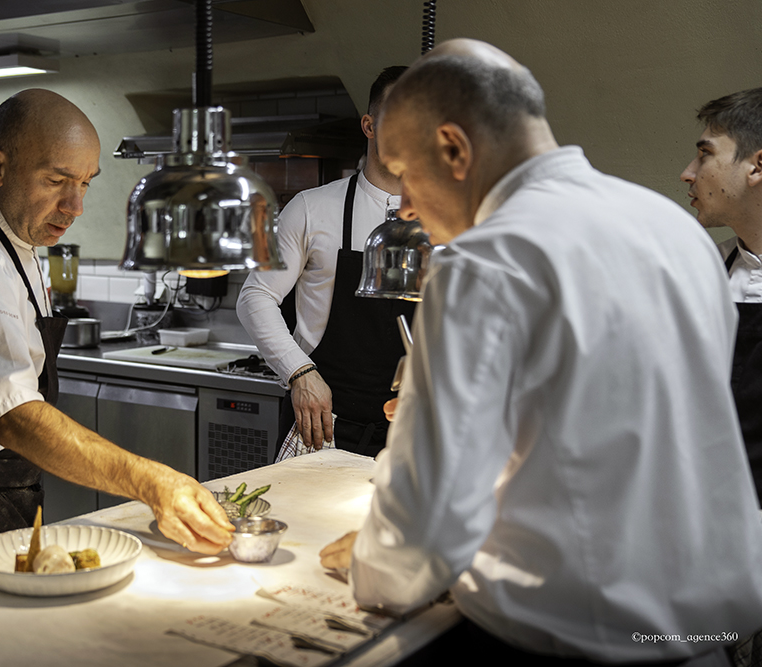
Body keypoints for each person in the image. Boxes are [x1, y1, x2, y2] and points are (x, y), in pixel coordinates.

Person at [319, 40, 762, 664]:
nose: (408, 208)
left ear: (453, 148)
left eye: (405, 174)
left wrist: (375, 560)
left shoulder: (483, 261)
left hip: (570, 639)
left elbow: (430, 515)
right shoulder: (671, 228)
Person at [0, 89, 233, 554]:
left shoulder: (10, 234)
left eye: (86, 182)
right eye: (56, 180)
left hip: (2, 488)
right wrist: (153, 482)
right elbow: (14, 420)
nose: (76, 206)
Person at [236, 66, 415, 458]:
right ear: (369, 125)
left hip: (413, 439)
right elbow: (255, 297)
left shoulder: (448, 223)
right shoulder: (311, 208)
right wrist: (299, 373)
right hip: (323, 427)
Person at [680, 87, 762, 502]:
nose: (688, 173)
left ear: (758, 165)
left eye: (705, 155)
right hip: (715, 513)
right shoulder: (700, 271)